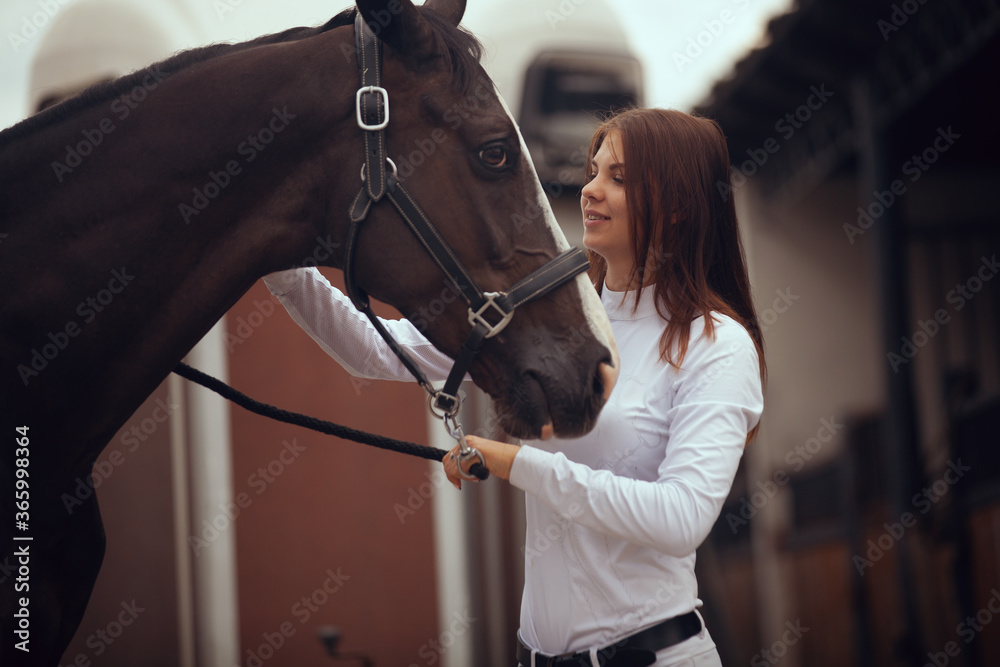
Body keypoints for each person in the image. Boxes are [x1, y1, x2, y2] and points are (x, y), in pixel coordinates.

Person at [263, 107, 765, 667]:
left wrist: (514, 462)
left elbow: (679, 521)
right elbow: (374, 349)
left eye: (618, 179)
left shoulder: (715, 344)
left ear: (677, 207)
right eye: (594, 170)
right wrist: (270, 247)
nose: (590, 190)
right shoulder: (555, 316)